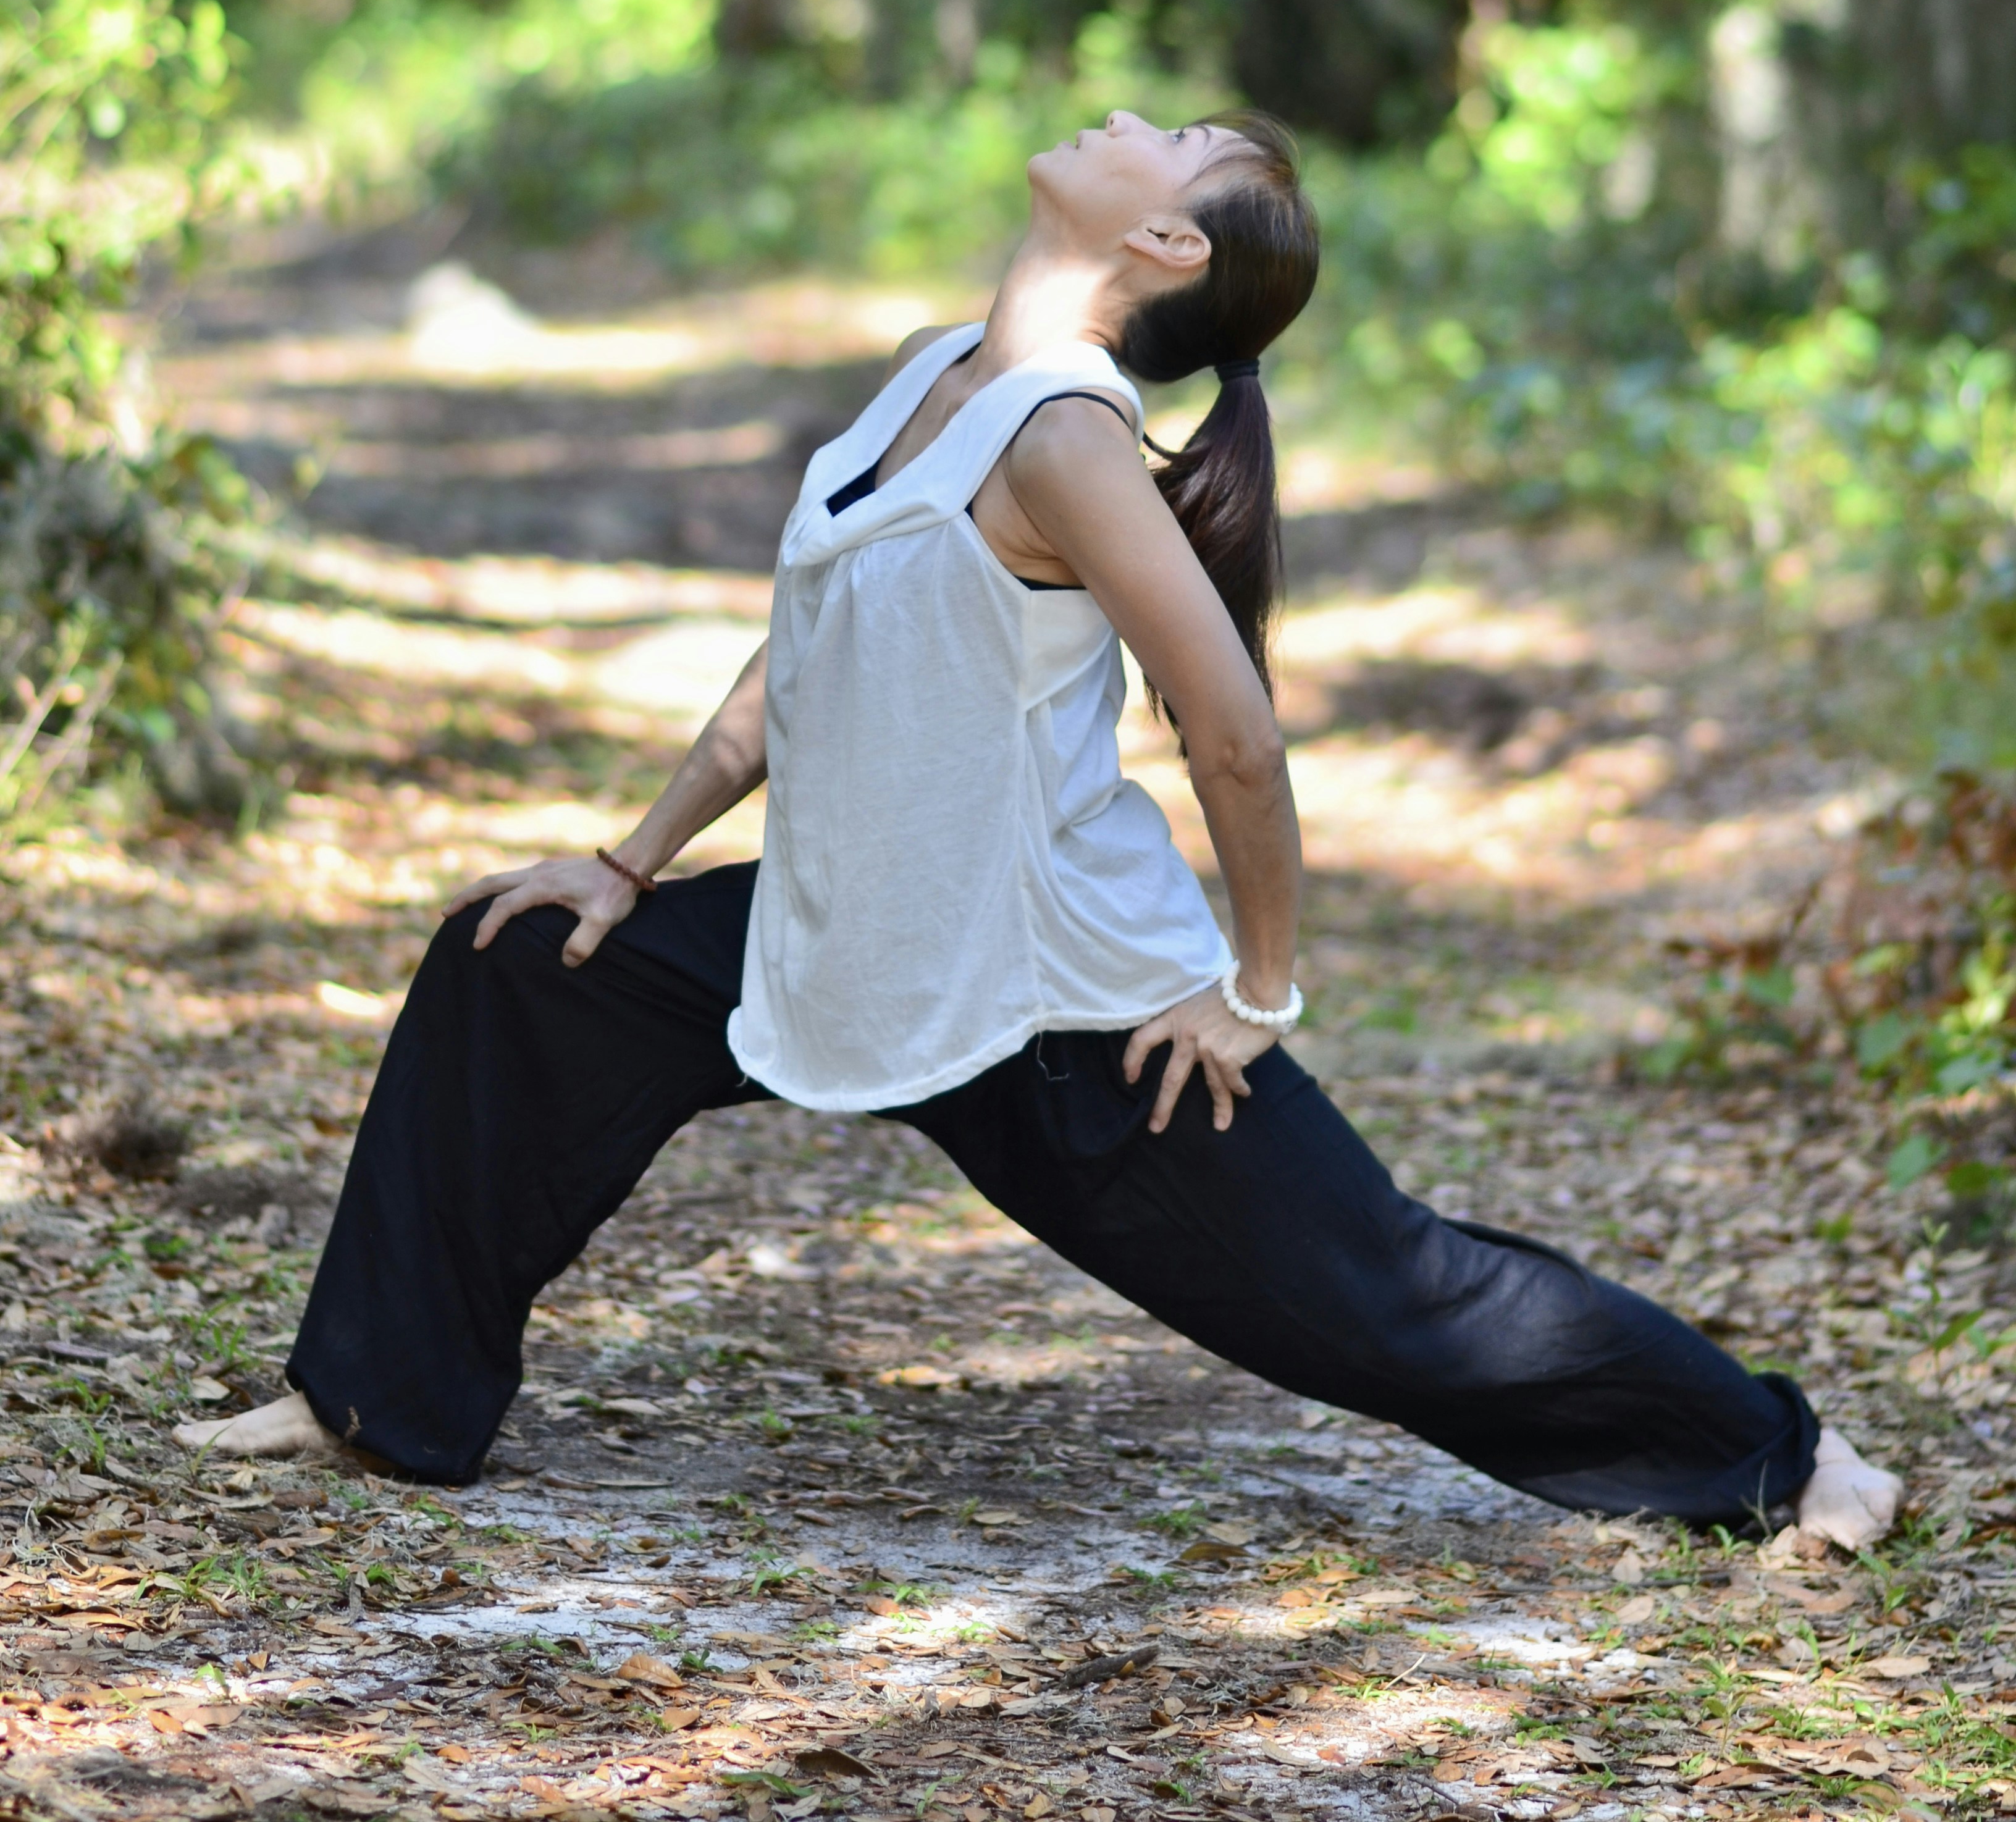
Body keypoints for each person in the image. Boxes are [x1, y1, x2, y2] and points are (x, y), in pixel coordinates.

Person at [180, 109, 1899, 1550]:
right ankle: (370, 1405)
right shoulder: (944, 368)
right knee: (520, 969)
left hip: (1053, 998)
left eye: (1173, 137)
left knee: (1389, 1293)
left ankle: (1785, 1463)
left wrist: (1261, 984)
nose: (1123, 116)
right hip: (858, 933)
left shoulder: (1069, 436)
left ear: (1164, 241)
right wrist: (631, 862)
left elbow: (1231, 726)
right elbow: (807, 655)